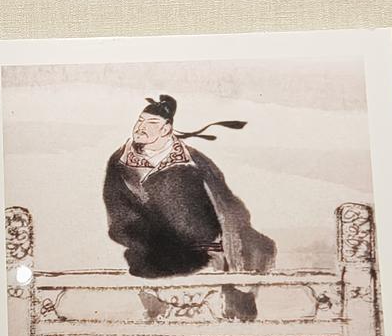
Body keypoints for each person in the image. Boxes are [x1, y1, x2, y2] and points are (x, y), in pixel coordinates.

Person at [103, 94, 275, 320]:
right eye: (140, 121)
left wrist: (226, 242)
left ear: (166, 129)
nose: (141, 127)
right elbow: (118, 213)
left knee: (253, 254)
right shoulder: (120, 162)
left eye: (151, 123)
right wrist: (151, 241)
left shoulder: (193, 160)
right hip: (153, 251)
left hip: (209, 250)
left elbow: (226, 202)